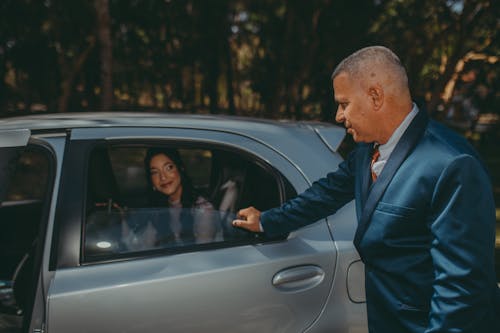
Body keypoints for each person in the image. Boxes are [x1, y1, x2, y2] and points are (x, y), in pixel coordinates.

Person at [233, 46, 499, 333]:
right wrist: (267, 220)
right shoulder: (365, 153)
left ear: (375, 96)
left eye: (343, 103)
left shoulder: (452, 163)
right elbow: (325, 194)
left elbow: (462, 288)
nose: (338, 115)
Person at [123, 148, 217, 250]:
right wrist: (122, 219)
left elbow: (202, 255)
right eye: (155, 172)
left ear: (181, 169)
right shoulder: (160, 209)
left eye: (169, 167)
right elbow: (142, 248)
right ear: (152, 182)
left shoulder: (202, 209)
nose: (163, 177)